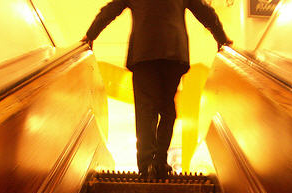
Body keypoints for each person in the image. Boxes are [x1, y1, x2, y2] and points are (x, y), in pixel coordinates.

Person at [82, 0, 232, 178]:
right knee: (168, 109)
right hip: (174, 54)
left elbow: (110, 11)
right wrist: (221, 38)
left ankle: (146, 164)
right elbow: (205, 11)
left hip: (144, 54)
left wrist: (91, 35)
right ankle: (160, 161)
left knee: (146, 109)